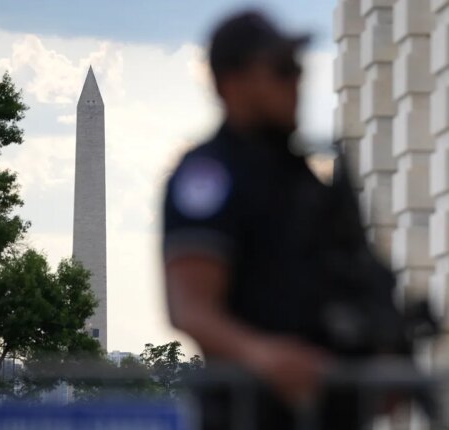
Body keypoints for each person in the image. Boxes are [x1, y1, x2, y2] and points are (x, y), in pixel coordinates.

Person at [162, 10, 401, 430]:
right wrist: (263, 355)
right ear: (231, 84)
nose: (296, 84)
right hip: (249, 413)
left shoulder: (307, 176)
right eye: (281, 70)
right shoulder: (209, 175)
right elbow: (190, 307)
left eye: (297, 70)